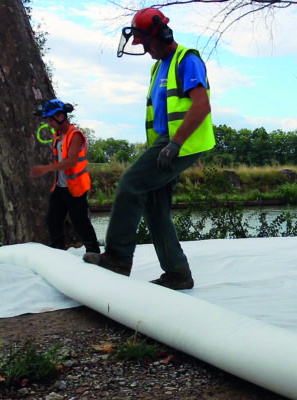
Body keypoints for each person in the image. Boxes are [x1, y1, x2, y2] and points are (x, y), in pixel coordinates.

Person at [83, 7, 215, 290]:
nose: (145, 50)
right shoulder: (158, 67)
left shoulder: (187, 59)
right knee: (155, 207)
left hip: (182, 142)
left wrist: (175, 144)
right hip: (166, 143)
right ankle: (178, 274)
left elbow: (201, 106)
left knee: (130, 183)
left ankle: (117, 259)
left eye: (146, 43)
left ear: (163, 35)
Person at [31, 99, 101, 254]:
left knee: (80, 222)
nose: (49, 124)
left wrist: (46, 168)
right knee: (53, 219)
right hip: (61, 186)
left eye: (50, 120)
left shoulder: (75, 135)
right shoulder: (58, 135)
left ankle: (94, 252)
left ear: (61, 117)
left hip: (76, 187)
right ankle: (57, 249)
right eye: (47, 120)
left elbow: (71, 162)